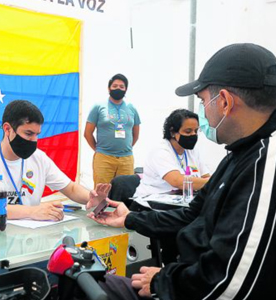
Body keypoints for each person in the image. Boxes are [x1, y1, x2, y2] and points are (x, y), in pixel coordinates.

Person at [88, 43, 276, 300]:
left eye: (202, 102)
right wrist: (130, 218)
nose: (203, 117)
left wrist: (162, 281)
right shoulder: (240, 155)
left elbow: (230, 281)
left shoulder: (265, 162)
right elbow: (191, 214)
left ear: (224, 102)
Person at [0, 100, 110, 221]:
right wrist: (31, 211)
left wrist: (91, 197)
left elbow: (71, 188)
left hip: (27, 239)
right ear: (7, 129)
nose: (34, 140)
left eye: (37, 134)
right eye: (28, 134)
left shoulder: (39, 158)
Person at [134, 108, 210, 200]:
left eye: (196, 131)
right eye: (188, 131)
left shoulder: (192, 151)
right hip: (150, 205)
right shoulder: (160, 151)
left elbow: (206, 176)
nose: (193, 135)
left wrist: (211, 182)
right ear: (173, 132)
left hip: (180, 202)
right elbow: (177, 181)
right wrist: (213, 183)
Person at [84, 74, 141, 187]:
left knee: (124, 194)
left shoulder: (132, 108)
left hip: (126, 159)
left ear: (126, 89)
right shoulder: (98, 106)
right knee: (101, 194)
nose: (118, 88)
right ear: (109, 88)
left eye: (121, 86)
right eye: (114, 86)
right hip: (104, 159)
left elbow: (136, 134)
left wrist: (125, 148)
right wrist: (98, 149)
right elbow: (87, 133)